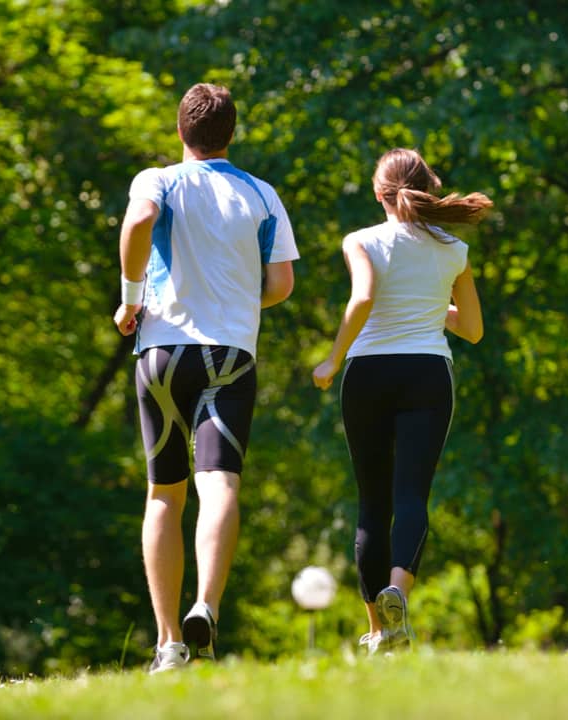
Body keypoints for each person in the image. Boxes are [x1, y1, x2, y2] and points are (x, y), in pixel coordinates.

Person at [114, 83, 299, 673]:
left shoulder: (157, 180)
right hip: (229, 356)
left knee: (165, 494)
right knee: (219, 484)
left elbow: (140, 220)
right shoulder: (262, 194)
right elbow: (281, 286)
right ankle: (206, 607)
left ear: (180, 131)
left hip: (161, 353)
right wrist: (237, 301)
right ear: (231, 134)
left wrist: (129, 299)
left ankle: (168, 642)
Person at [312, 148, 489, 654]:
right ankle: (398, 594)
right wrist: (434, 304)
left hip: (368, 374)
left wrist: (331, 359)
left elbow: (364, 297)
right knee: (412, 496)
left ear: (377, 193)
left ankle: (378, 630)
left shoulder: (361, 240)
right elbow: (473, 330)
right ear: (428, 186)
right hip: (427, 375)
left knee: (372, 504)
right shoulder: (453, 250)